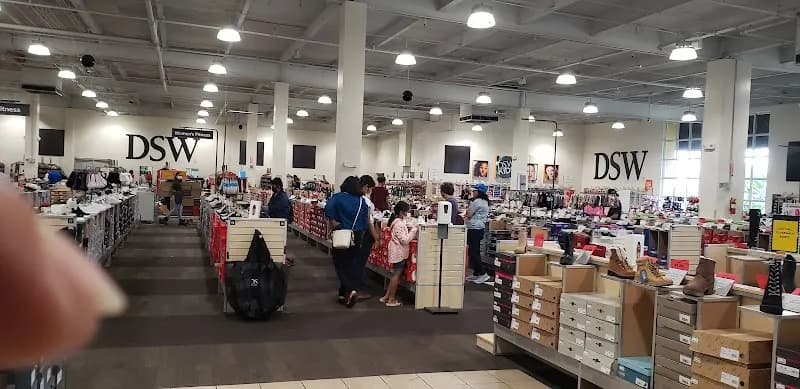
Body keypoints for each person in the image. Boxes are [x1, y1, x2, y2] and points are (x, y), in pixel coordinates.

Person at [324, 176, 371, 308]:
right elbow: (365, 221)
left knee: (339, 264)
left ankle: (350, 290)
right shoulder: (362, 201)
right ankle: (342, 294)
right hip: (357, 235)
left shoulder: (338, 197)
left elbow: (328, 209)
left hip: (341, 233)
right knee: (351, 264)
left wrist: (334, 221)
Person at [381, 201, 417, 307]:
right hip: (399, 252)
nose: (408, 213)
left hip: (396, 251)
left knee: (394, 275)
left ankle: (387, 296)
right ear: (401, 213)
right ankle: (391, 299)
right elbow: (405, 240)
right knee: (396, 275)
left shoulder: (396, 222)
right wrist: (414, 230)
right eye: (407, 212)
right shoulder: (399, 224)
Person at [355, 175, 381, 300]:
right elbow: (368, 221)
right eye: (370, 188)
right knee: (360, 263)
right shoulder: (365, 201)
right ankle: (358, 289)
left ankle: (352, 288)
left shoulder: (355, 198)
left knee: (355, 262)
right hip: (364, 235)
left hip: (356, 233)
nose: (371, 191)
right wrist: (376, 237)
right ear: (366, 187)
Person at [465, 183, 490, 283]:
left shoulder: (476, 202)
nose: (473, 192)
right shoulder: (485, 202)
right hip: (480, 228)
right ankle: (477, 273)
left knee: (473, 252)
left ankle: (483, 273)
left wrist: (467, 212)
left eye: (474, 191)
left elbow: (469, 214)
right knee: (475, 251)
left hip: (473, 228)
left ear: (478, 192)